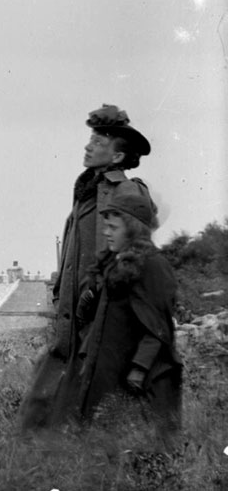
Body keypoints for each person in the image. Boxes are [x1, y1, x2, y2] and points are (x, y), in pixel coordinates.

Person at [20, 104, 155, 430]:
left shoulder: (126, 191)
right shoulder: (88, 193)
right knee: (43, 408)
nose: (88, 146)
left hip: (100, 321)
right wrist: (59, 296)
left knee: (91, 414)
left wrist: (95, 294)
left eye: (98, 141)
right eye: (90, 138)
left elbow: (133, 255)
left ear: (118, 157)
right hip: (72, 324)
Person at [75, 182, 182, 435]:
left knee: (137, 443)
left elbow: (157, 327)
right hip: (108, 367)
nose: (106, 233)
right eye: (106, 226)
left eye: (113, 227)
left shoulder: (153, 265)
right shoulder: (115, 264)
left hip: (136, 376)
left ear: (133, 230)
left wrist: (139, 369)